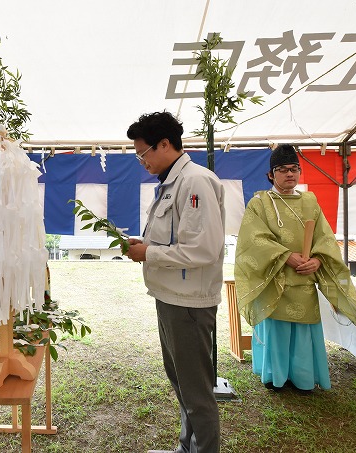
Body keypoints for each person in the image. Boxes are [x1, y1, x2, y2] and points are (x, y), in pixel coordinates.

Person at [125, 111, 224, 453]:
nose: (142, 161)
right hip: (170, 298)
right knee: (181, 383)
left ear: (165, 144)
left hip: (189, 305)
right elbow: (173, 239)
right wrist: (145, 246)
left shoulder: (196, 182)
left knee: (196, 391)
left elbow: (203, 249)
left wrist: (148, 254)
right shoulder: (172, 183)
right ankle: (188, 447)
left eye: (144, 153)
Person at [234, 144, 356, 393]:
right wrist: (286, 256)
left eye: (294, 169)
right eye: (283, 170)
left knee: (304, 331)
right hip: (275, 279)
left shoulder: (310, 201)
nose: (290, 174)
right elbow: (253, 241)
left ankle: (304, 379)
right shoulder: (259, 203)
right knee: (278, 330)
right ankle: (276, 377)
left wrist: (317, 260)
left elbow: (324, 237)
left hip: (305, 278)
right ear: (271, 175)